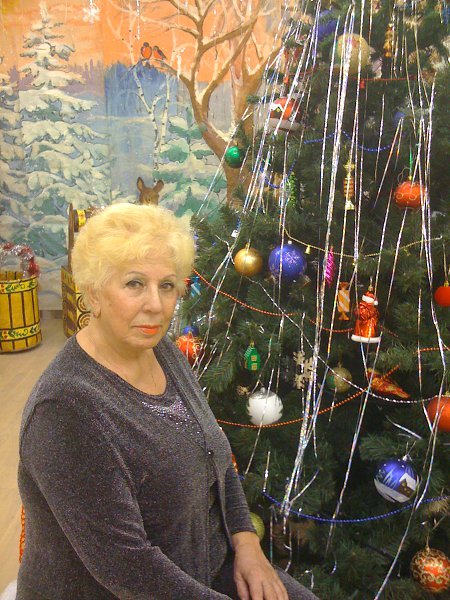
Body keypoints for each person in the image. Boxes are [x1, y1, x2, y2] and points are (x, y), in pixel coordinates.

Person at [17, 203, 319, 600]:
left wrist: (248, 544)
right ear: (93, 292)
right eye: (134, 284)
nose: (156, 306)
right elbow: (129, 569)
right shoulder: (66, 409)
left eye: (167, 286)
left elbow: (215, 456)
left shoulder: (160, 350)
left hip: (207, 567)